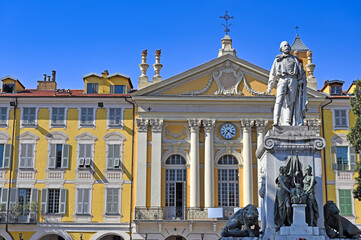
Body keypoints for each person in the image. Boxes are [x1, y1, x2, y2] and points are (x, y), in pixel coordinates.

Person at [267, 41, 308, 126]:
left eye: (288, 45)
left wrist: (301, 80)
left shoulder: (295, 59)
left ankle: (288, 121)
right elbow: (272, 73)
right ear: (281, 48)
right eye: (285, 46)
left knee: (291, 101)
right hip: (282, 79)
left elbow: (302, 73)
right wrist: (270, 86)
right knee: (279, 100)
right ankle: (276, 120)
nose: (287, 47)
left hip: (293, 80)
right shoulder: (278, 60)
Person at [274, 166, 293, 231]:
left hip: (287, 193)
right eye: (285, 169)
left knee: (288, 206)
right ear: (281, 170)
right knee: (281, 207)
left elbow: (291, 184)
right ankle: (281, 222)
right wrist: (290, 191)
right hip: (281, 192)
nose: (286, 170)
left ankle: (288, 220)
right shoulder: (279, 178)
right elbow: (283, 186)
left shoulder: (287, 178)